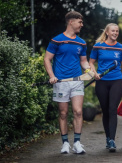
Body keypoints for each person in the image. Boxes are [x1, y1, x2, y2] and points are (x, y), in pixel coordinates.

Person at [44, 11, 89, 154]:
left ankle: (77, 143)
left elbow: (84, 61)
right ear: (71, 21)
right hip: (61, 82)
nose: (82, 24)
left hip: (77, 81)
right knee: (63, 113)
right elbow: (47, 59)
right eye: (79, 22)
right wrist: (52, 76)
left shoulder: (81, 42)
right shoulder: (56, 40)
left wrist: (90, 71)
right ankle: (65, 143)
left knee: (78, 111)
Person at [89, 23, 122, 152]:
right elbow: (91, 63)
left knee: (112, 109)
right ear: (106, 32)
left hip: (116, 81)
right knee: (105, 111)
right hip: (101, 82)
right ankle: (107, 137)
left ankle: (112, 140)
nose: (115, 33)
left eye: (117, 31)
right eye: (113, 31)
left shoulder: (121, 48)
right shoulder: (98, 46)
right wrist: (94, 74)